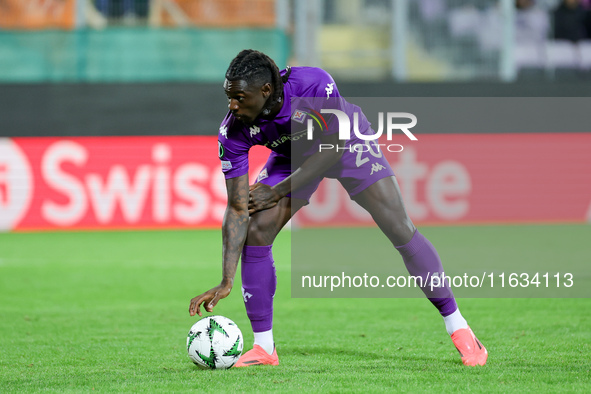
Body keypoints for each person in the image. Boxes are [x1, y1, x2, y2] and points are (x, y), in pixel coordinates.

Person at [188, 49, 488, 367]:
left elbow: (333, 149)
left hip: (344, 143)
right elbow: (237, 207)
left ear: (265, 91)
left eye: (238, 97)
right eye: (228, 97)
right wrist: (226, 279)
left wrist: (276, 191)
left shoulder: (312, 84)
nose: (232, 106)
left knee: (399, 227)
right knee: (257, 230)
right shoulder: (232, 130)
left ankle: (460, 328)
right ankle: (264, 348)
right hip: (292, 156)